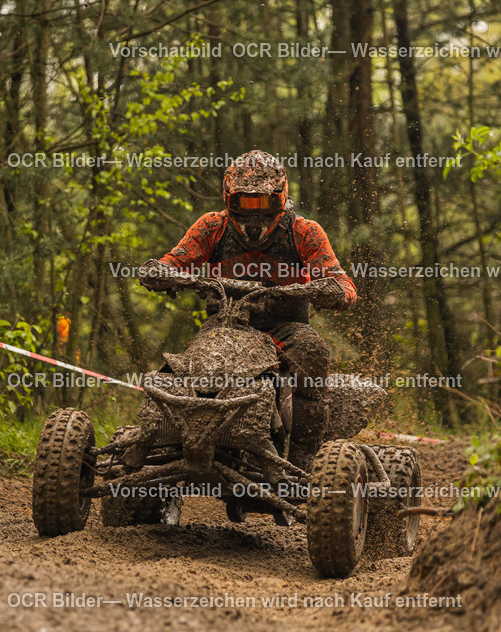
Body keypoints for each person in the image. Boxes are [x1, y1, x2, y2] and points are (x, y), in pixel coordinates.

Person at [139, 150, 357, 467]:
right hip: (225, 326)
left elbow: (344, 284)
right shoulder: (211, 227)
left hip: (285, 330)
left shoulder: (304, 232)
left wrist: (328, 289)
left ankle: (305, 452)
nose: (254, 213)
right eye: (246, 202)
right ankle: (163, 445)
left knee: (311, 348)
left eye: (263, 202)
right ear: (230, 198)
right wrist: (160, 273)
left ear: (280, 197)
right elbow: (173, 261)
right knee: (187, 365)